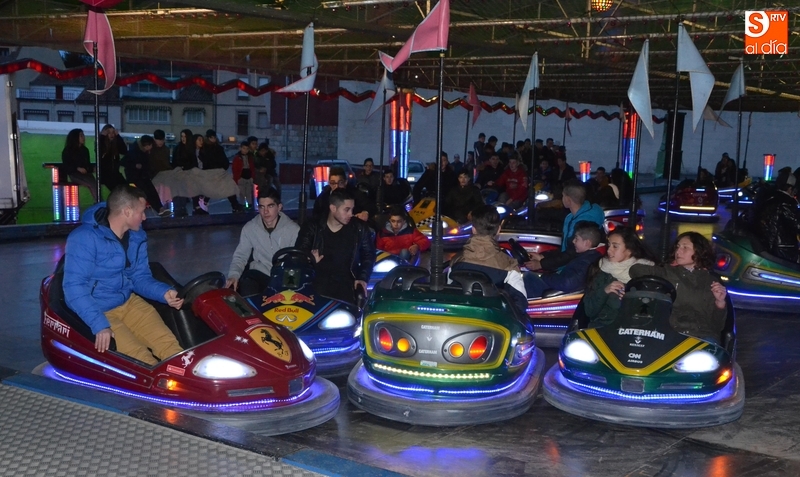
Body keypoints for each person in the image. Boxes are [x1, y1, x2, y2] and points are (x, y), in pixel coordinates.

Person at [63, 185, 184, 364]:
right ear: (127, 211)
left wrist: (164, 292)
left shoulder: (136, 236)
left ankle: (194, 388)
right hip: (99, 308)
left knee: (173, 350)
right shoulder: (84, 238)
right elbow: (73, 287)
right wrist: (99, 325)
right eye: (142, 212)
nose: (144, 217)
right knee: (142, 361)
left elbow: (139, 277)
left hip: (128, 302)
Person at [629, 232, 728, 342]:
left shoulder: (711, 281)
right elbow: (635, 269)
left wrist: (720, 303)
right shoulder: (668, 272)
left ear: (699, 251)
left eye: (685, 248)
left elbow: (717, 326)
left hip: (700, 335)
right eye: (678, 247)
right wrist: (667, 268)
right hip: (669, 332)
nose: (678, 251)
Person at [296, 189, 376, 305]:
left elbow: (368, 255)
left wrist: (362, 277)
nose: (351, 214)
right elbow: (300, 252)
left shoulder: (359, 228)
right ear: (333, 208)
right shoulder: (312, 226)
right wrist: (309, 259)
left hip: (346, 283)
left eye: (352, 210)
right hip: (316, 282)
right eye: (346, 210)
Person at [450, 205, 527, 314]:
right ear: (499, 229)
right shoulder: (509, 265)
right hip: (491, 322)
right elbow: (520, 305)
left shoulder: (456, 260)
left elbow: (448, 292)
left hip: (460, 317)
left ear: (473, 229)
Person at [225, 188, 300, 296]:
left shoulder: (293, 229)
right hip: (260, 273)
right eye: (262, 207)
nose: (265, 212)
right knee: (247, 282)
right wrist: (233, 275)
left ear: (279, 207)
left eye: (270, 206)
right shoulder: (250, 228)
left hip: (283, 275)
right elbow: (241, 256)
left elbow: (297, 259)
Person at [582, 227, 656, 328]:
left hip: (634, 330)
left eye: (615, 246)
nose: (609, 250)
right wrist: (604, 291)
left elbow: (652, 312)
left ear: (629, 250)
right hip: (604, 328)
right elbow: (589, 311)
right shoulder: (600, 268)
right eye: (608, 245)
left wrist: (631, 299)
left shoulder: (646, 273)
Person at [525, 182, 605, 271]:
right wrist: (543, 256)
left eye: (563, 196)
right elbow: (565, 249)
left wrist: (541, 264)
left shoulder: (584, 222)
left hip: (577, 270)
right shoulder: (574, 216)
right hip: (572, 266)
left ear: (568, 200)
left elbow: (571, 254)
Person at [523, 221, 604, 299]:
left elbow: (567, 283)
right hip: (561, 287)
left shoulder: (586, 261)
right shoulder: (588, 255)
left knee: (528, 276)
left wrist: (544, 276)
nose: (573, 241)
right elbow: (562, 256)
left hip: (560, 293)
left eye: (576, 239)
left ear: (587, 243)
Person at [751, 170, 800, 263]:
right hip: (782, 250)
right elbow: (797, 224)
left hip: (767, 245)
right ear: (790, 188)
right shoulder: (786, 203)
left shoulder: (768, 199)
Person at [123, 135, 170, 217]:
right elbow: (125, 162)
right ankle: (159, 208)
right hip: (135, 177)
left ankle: (160, 208)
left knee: (151, 189)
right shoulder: (134, 151)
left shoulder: (142, 151)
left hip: (142, 176)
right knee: (147, 190)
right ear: (147, 145)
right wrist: (135, 166)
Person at [201, 129, 244, 213]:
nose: (213, 139)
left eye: (214, 137)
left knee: (227, 188)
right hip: (211, 173)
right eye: (211, 137)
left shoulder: (217, 148)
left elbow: (224, 161)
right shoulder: (205, 149)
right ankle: (203, 204)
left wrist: (222, 168)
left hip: (218, 172)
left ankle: (235, 205)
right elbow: (206, 162)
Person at [61, 128, 98, 202]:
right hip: (74, 174)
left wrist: (92, 169)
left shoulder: (85, 150)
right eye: (81, 136)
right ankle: (98, 201)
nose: (83, 137)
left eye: (83, 135)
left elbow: (87, 164)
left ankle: (98, 200)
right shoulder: (68, 151)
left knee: (94, 183)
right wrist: (77, 168)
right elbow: (67, 166)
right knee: (92, 183)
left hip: (85, 174)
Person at [170, 129, 197, 217]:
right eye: (182, 136)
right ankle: (178, 208)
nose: (183, 138)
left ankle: (183, 208)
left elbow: (194, 162)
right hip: (179, 173)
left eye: (185, 137)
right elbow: (174, 161)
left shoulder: (192, 148)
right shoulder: (178, 148)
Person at [98, 124, 128, 192]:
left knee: (126, 188)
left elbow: (124, 151)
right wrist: (102, 137)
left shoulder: (116, 144)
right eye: (109, 133)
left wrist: (118, 137)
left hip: (115, 173)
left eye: (113, 132)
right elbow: (99, 150)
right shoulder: (102, 143)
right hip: (106, 175)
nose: (111, 134)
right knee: (116, 190)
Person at [231, 140, 254, 208]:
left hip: (248, 176)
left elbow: (252, 167)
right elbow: (235, 169)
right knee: (242, 192)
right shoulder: (237, 158)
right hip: (241, 177)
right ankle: (242, 204)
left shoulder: (250, 157)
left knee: (248, 192)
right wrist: (237, 178)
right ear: (240, 148)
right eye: (244, 148)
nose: (245, 150)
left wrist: (252, 177)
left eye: (247, 149)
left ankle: (249, 204)